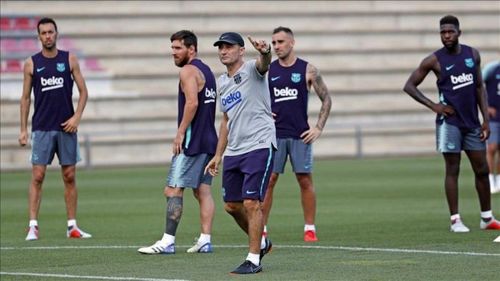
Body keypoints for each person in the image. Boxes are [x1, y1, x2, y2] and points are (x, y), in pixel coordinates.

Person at [403, 15, 500, 233]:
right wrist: (433, 105)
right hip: (450, 123)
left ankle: (486, 218)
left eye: (450, 31)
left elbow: (479, 88)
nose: (446, 36)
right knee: (453, 169)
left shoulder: (472, 54)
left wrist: (486, 119)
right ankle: (455, 220)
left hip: (473, 123)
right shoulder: (434, 60)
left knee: (482, 169)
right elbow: (409, 86)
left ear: (459, 33)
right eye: (442, 32)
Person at [138, 30, 217, 255]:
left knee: (172, 189)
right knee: (203, 190)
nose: (173, 52)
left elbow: (192, 103)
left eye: (177, 48)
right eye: (172, 48)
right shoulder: (207, 71)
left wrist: (180, 133)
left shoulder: (188, 71)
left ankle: (168, 241)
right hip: (209, 139)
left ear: (191, 49)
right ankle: (205, 239)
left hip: (193, 141)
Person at [205, 32, 275, 274]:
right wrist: (218, 154)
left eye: (228, 47)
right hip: (234, 149)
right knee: (232, 206)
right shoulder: (222, 81)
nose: (223, 51)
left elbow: (265, 64)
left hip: (259, 144)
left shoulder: (252, 70)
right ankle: (263, 242)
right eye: (220, 47)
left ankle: (254, 259)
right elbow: (225, 120)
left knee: (251, 202)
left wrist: (265, 51)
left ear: (241, 50)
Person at [19, 17, 91, 241]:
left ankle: (72, 226)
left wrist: (76, 118)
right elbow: (25, 99)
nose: (48, 36)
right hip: (41, 127)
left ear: (56, 34)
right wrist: (23, 129)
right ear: (39, 36)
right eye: (43, 33)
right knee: (38, 176)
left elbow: (83, 92)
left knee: (69, 176)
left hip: (66, 128)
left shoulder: (69, 59)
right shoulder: (31, 63)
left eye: (51, 32)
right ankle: (33, 226)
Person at [262, 26, 332, 242]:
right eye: (273, 43)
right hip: (274, 135)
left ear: (292, 43)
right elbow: (255, 97)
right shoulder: (268, 70)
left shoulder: (307, 70)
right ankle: (261, 228)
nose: (276, 46)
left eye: (280, 42)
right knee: (270, 180)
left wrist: (318, 128)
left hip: (301, 135)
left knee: (304, 180)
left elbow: (326, 98)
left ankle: (309, 228)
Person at [483, 60, 500, 194]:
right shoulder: (491, 68)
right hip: (494, 116)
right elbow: (477, 85)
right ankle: (489, 178)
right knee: (492, 147)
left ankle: (499, 178)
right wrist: (486, 106)